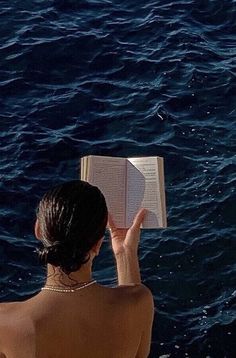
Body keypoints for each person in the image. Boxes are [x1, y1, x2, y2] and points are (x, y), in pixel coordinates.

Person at [0, 180, 154, 358]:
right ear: (98, 244)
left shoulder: (6, 324)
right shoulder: (139, 303)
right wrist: (125, 254)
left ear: (38, 230)